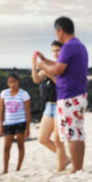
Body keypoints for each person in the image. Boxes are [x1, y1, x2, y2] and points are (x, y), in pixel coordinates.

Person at [34, 16, 88, 173]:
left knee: (72, 134)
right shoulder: (79, 46)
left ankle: (76, 168)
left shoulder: (68, 47)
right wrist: (45, 60)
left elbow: (58, 70)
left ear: (60, 30)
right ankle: (79, 167)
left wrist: (43, 65)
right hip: (78, 94)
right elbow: (61, 65)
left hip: (69, 96)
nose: (56, 35)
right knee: (78, 133)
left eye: (56, 32)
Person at [31, 40, 70, 171]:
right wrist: (34, 65)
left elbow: (64, 85)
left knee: (58, 140)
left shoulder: (65, 67)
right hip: (49, 106)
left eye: (58, 50)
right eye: (53, 51)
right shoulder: (50, 65)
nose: (55, 53)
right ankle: (65, 158)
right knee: (43, 139)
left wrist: (50, 75)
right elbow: (36, 79)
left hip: (61, 106)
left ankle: (61, 167)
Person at [0, 74, 31, 173]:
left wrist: (28, 128)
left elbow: (28, 112)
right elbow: (1, 110)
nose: (13, 84)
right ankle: (5, 169)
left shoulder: (24, 94)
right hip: (8, 123)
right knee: (6, 147)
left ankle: (18, 168)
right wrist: (0, 126)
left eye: (14, 82)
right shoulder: (4, 94)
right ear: (8, 84)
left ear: (18, 82)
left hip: (21, 123)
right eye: (10, 82)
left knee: (20, 145)